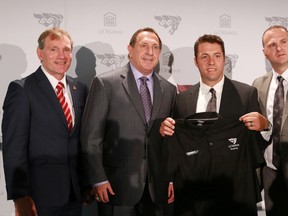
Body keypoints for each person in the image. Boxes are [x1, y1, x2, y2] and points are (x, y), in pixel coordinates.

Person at [160, 34, 267, 216]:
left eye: (217, 56)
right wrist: (165, 131)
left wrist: (265, 126)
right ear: (195, 61)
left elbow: (256, 146)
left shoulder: (246, 93)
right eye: (204, 56)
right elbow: (175, 146)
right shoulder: (181, 99)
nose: (211, 62)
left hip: (236, 192)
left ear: (225, 59)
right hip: (195, 192)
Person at [80, 27, 177, 216]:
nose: (150, 52)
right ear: (130, 50)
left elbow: (171, 143)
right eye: (144, 46)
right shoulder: (105, 83)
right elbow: (91, 137)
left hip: (156, 190)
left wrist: (171, 179)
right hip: (116, 188)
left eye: (155, 47)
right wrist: (98, 179)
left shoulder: (169, 90)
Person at [1, 28, 88, 216]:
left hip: (75, 194)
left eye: (66, 50)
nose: (61, 56)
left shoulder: (79, 88)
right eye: (53, 49)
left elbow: (80, 140)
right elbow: (14, 147)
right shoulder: (22, 90)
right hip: (39, 197)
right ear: (40, 53)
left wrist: (86, 182)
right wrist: (20, 196)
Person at [246, 25, 288, 216]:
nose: (279, 48)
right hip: (270, 171)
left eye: (284, 42)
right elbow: (261, 129)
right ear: (264, 53)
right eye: (272, 45)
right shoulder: (258, 84)